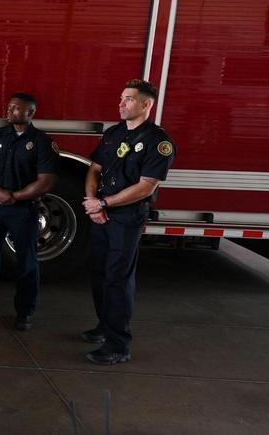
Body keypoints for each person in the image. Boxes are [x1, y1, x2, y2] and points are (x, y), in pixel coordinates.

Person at [81, 79, 175, 365]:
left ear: (146, 105)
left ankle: (118, 345)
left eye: (129, 99)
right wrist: (92, 203)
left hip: (126, 217)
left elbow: (146, 186)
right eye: (121, 98)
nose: (121, 104)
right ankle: (104, 326)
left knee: (117, 279)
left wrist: (105, 203)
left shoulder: (159, 142)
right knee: (98, 273)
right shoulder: (113, 133)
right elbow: (94, 169)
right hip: (101, 212)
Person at [0, 93, 57, 331]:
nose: (10, 111)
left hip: (22, 209)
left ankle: (24, 312)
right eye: (9, 107)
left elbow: (45, 180)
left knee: (26, 262)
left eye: (16, 108)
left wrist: (15, 196)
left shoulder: (41, 142)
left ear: (31, 112)